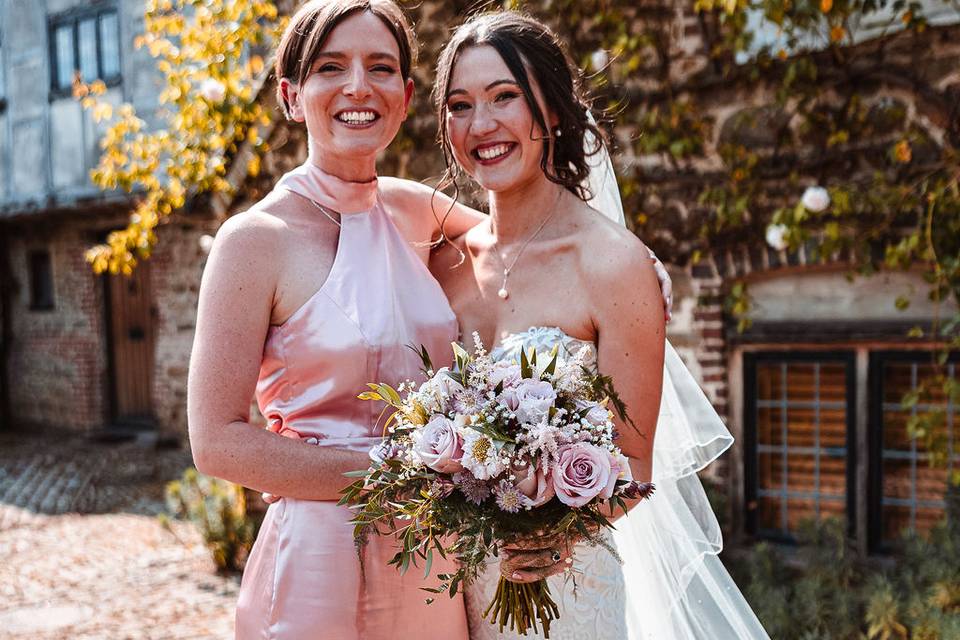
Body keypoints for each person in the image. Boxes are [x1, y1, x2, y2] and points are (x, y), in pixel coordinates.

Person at [429, 11, 771, 639]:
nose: (481, 125)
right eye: (459, 105)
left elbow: (634, 466)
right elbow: (354, 196)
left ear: (553, 112)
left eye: (505, 96)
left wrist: (552, 534)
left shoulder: (612, 263)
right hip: (444, 591)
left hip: (566, 590)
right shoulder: (437, 262)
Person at [187, 2, 482, 638]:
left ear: (404, 98)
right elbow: (215, 440)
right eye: (330, 67)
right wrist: (402, 475)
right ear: (293, 96)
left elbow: (530, 247)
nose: (358, 86)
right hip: (318, 557)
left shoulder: (415, 211)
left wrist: (626, 259)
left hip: (433, 563)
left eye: (381, 68)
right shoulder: (253, 240)